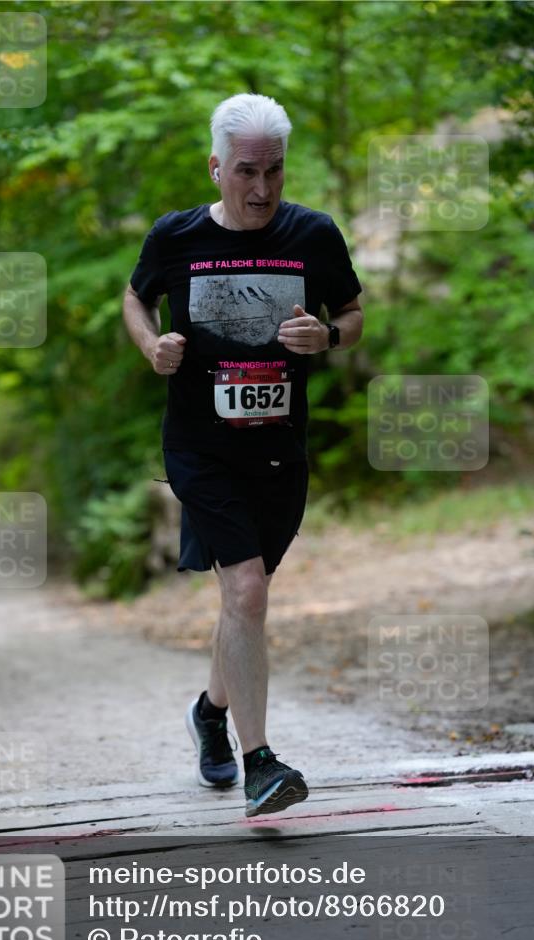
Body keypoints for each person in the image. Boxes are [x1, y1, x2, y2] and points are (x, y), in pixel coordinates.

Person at [123, 93, 363, 818]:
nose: (261, 189)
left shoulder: (313, 234)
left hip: (278, 450)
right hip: (200, 445)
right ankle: (260, 762)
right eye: (246, 172)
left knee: (243, 602)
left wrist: (329, 339)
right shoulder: (176, 236)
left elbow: (351, 312)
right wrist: (151, 345)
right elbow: (134, 299)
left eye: (275, 171)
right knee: (247, 590)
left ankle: (208, 711)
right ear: (216, 166)